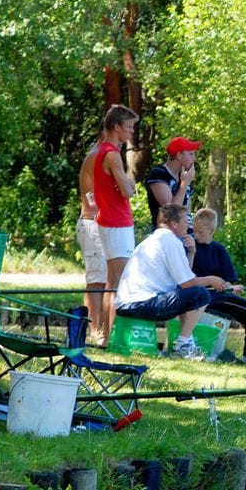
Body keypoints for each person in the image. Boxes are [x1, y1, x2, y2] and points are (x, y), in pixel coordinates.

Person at [115, 203, 226, 359]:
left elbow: (184, 279)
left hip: (128, 303)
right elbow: (188, 284)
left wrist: (191, 253)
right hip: (140, 304)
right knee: (201, 295)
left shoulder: (156, 239)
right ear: (174, 223)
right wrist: (212, 279)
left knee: (191, 295)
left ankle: (186, 342)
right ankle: (182, 345)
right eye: (185, 221)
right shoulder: (170, 241)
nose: (188, 226)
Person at [191, 208, 246, 362]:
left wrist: (232, 288)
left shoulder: (219, 250)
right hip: (208, 298)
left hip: (222, 296)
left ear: (211, 231)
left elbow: (227, 281)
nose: (196, 235)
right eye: (194, 230)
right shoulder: (191, 248)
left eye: (200, 232)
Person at [93, 104, 139, 348]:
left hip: (112, 220)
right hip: (116, 221)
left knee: (113, 282)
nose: (131, 131)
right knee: (119, 281)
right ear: (116, 127)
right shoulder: (111, 154)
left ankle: (106, 335)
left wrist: (127, 184)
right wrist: (129, 184)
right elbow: (127, 190)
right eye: (129, 127)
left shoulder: (104, 151)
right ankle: (110, 337)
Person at [76, 134, 105, 343]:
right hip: (93, 223)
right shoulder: (96, 156)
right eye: (127, 128)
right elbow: (93, 200)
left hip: (101, 224)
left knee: (103, 279)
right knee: (97, 280)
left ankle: (100, 329)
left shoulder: (104, 155)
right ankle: (94, 331)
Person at [145, 136, 199, 228]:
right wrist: (184, 184)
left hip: (184, 233)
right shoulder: (158, 174)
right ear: (179, 155)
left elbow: (187, 214)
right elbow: (172, 213)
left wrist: (191, 233)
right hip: (166, 232)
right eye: (191, 154)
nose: (194, 159)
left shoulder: (184, 177)